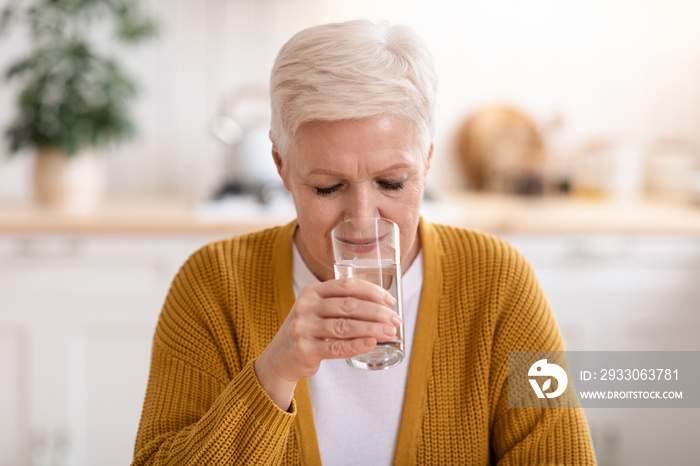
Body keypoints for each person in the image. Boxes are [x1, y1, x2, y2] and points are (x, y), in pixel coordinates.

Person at [133, 20, 595, 465]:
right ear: (282, 166)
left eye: (391, 183)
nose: (362, 222)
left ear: (427, 160)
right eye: (328, 188)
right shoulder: (213, 285)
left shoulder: (498, 283)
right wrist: (273, 373)